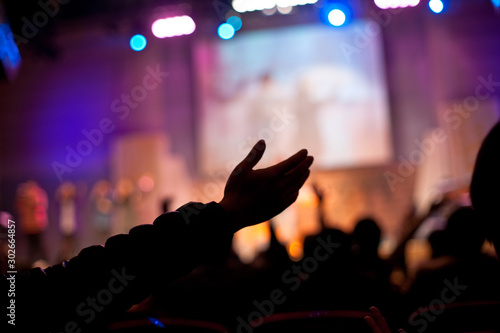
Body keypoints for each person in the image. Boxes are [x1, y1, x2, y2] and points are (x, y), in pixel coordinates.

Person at [1, 140, 313, 333]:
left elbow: (90, 278)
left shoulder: (14, 302)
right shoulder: (256, 285)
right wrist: (224, 216)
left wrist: (223, 217)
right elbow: (95, 277)